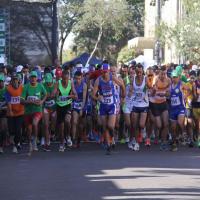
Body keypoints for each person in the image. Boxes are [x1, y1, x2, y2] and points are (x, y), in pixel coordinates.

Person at [92, 63, 125, 155]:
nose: (104, 74)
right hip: (103, 105)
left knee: (111, 126)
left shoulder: (112, 78)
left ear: (109, 71)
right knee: (105, 126)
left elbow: (122, 85)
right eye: (102, 72)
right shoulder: (98, 80)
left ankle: (112, 138)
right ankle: (109, 146)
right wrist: (97, 97)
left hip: (112, 105)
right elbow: (93, 94)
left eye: (106, 72)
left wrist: (123, 96)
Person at [21, 71, 47, 154]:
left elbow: (46, 94)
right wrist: (31, 102)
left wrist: (42, 101)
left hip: (37, 110)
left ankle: (35, 141)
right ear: (29, 78)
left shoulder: (40, 86)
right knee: (28, 129)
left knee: (35, 123)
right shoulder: (25, 87)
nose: (33, 79)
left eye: (34, 77)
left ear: (37, 78)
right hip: (28, 111)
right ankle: (30, 143)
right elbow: (21, 101)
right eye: (31, 77)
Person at [54, 70, 77, 152]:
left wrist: (69, 96)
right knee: (61, 127)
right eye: (64, 79)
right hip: (59, 106)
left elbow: (76, 96)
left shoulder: (71, 83)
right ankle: (61, 143)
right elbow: (54, 93)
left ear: (69, 78)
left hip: (67, 105)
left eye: (66, 79)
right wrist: (55, 94)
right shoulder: (58, 83)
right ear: (61, 78)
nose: (65, 81)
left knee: (67, 121)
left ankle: (68, 136)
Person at [150, 66, 171, 150]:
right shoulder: (155, 80)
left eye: (165, 74)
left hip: (163, 102)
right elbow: (151, 94)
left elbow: (168, 94)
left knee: (165, 124)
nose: (163, 76)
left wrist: (164, 94)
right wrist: (155, 90)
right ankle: (158, 136)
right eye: (162, 74)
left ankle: (163, 142)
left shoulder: (168, 80)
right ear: (159, 73)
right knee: (159, 125)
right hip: (155, 104)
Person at [131, 63, 149, 151]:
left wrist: (149, 87)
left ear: (142, 71)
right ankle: (136, 142)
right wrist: (129, 94)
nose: (139, 74)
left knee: (141, 124)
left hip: (144, 104)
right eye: (137, 72)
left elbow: (150, 87)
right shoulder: (133, 79)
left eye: (140, 72)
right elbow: (131, 89)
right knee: (135, 125)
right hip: (135, 104)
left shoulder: (146, 79)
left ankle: (143, 130)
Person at [5, 72, 24, 154]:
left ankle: (16, 145)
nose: (15, 81)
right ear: (11, 81)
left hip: (20, 112)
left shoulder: (22, 88)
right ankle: (15, 142)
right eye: (13, 80)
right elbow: (8, 101)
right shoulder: (8, 89)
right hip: (11, 113)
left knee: (18, 129)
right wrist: (11, 111)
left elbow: (24, 99)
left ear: (19, 80)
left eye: (16, 80)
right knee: (11, 130)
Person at [169, 70, 186, 152]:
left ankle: (183, 134)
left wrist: (186, 95)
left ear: (179, 77)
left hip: (180, 108)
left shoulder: (181, 84)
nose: (174, 78)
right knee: (173, 128)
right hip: (173, 109)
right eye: (173, 77)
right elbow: (168, 95)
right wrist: (165, 94)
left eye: (175, 77)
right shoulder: (170, 86)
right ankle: (174, 143)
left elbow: (189, 89)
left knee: (180, 123)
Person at [71, 71, 87, 147]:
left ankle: (79, 139)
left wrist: (81, 108)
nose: (78, 80)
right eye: (76, 78)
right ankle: (73, 139)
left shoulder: (84, 85)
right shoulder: (73, 84)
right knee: (74, 122)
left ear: (82, 78)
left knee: (80, 125)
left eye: (79, 79)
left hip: (82, 105)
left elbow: (84, 98)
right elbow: (71, 94)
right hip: (74, 105)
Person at [42, 73, 57, 151]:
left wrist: (49, 95)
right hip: (46, 107)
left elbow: (57, 95)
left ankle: (53, 132)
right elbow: (42, 96)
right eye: (47, 81)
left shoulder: (55, 85)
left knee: (53, 124)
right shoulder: (43, 85)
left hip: (54, 108)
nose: (48, 83)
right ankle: (47, 143)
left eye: (49, 81)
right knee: (46, 125)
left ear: (52, 80)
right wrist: (47, 96)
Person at [0, 74, 7, 154]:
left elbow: (9, 103)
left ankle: (2, 145)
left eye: (1, 81)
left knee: (3, 128)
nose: (0, 83)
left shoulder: (6, 90)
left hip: (4, 111)